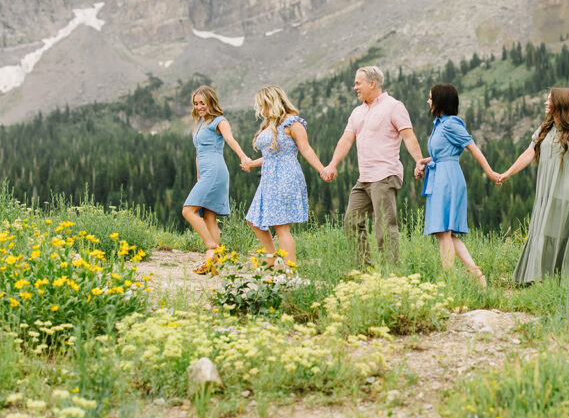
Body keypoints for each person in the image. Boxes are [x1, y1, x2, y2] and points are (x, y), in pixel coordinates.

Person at [498, 88, 569, 286]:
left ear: (559, 104)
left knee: (568, 231)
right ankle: (544, 277)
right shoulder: (546, 128)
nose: (545, 103)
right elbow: (529, 153)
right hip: (547, 189)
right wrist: (508, 173)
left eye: (549, 100)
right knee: (546, 229)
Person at [321, 66, 424, 266]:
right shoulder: (357, 112)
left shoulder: (394, 106)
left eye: (358, 83)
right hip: (364, 178)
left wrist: (419, 160)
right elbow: (346, 140)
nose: (354, 87)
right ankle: (364, 271)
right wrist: (332, 164)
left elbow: (408, 136)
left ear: (372, 84)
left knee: (384, 226)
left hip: (385, 175)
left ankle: (390, 274)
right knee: (352, 222)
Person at [414, 84, 498, 288]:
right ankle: (477, 277)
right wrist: (423, 162)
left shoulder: (451, 124)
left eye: (430, 98)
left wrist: (490, 172)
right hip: (440, 175)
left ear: (440, 101)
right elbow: (440, 154)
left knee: (443, 231)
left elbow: (473, 148)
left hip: (448, 179)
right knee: (445, 232)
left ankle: (449, 282)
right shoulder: (440, 124)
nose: (428, 101)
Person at [241, 85, 324, 270]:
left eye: (263, 105)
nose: (261, 110)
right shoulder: (271, 123)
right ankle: (272, 258)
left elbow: (306, 149)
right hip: (269, 178)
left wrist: (322, 169)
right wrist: (252, 163)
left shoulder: (293, 123)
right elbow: (272, 154)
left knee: (281, 227)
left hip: (285, 176)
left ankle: (290, 270)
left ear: (272, 102)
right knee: (253, 219)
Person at [182, 85, 252, 275]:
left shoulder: (219, 121)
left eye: (202, 103)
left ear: (211, 102)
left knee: (188, 211)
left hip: (215, 170)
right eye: (196, 104)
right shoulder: (199, 124)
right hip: (205, 172)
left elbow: (230, 140)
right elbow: (198, 154)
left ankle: (212, 247)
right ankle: (211, 264)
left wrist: (244, 157)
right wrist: (198, 178)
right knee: (209, 217)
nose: (198, 107)